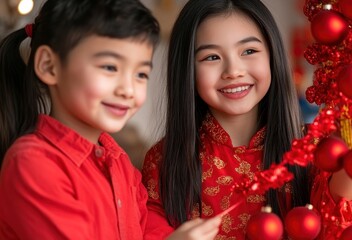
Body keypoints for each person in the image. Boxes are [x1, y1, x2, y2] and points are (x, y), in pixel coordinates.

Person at [141, 0, 352, 239]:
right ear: (187, 69)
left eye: (248, 51)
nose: (233, 70)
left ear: (272, 55)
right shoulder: (163, 161)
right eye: (211, 57)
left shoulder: (315, 149)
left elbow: (336, 211)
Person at [0, 0, 221, 239]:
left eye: (141, 74)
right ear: (49, 65)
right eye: (109, 67)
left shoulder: (120, 164)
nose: (128, 89)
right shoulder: (33, 164)